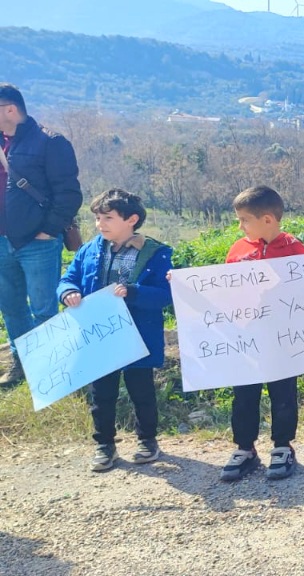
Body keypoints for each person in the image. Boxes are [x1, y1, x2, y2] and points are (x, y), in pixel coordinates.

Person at [57, 189, 172, 472]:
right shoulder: (89, 249)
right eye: (97, 218)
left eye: (107, 217)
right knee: (101, 394)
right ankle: (104, 444)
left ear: (131, 219)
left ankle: (147, 441)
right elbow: (68, 279)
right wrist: (69, 292)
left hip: (139, 337)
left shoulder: (157, 253)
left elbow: (166, 295)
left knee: (141, 392)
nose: (100, 224)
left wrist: (133, 292)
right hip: (100, 337)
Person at [218, 186, 304, 481]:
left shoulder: (295, 249)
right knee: (243, 394)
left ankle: (282, 446)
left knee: (283, 393)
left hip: (281, 338)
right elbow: (222, 287)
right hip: (246, 338)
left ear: (267, 219)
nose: (240, 226)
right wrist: (183, 284)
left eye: (244, 220)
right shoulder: (237, 250)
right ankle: (245, 448)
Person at [0, 83, 83, 386]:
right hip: (1, 241)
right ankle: (21, 366)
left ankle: (50, 373)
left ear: (10, 109)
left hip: (38, 242)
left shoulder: (51, 142)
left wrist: (48, 232)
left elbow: (69, 194)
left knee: (44, 308)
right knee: (10, 307)